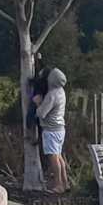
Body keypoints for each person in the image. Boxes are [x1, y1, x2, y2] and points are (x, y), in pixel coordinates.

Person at [36, 66, 69, 194]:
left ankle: (58, 185)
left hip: (51, 130)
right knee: (59, 157)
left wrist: (38, 103)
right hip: (60, 128)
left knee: (53, 158)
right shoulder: (61, 91)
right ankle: (65, 183)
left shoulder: (51, 95)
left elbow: (41, 113)